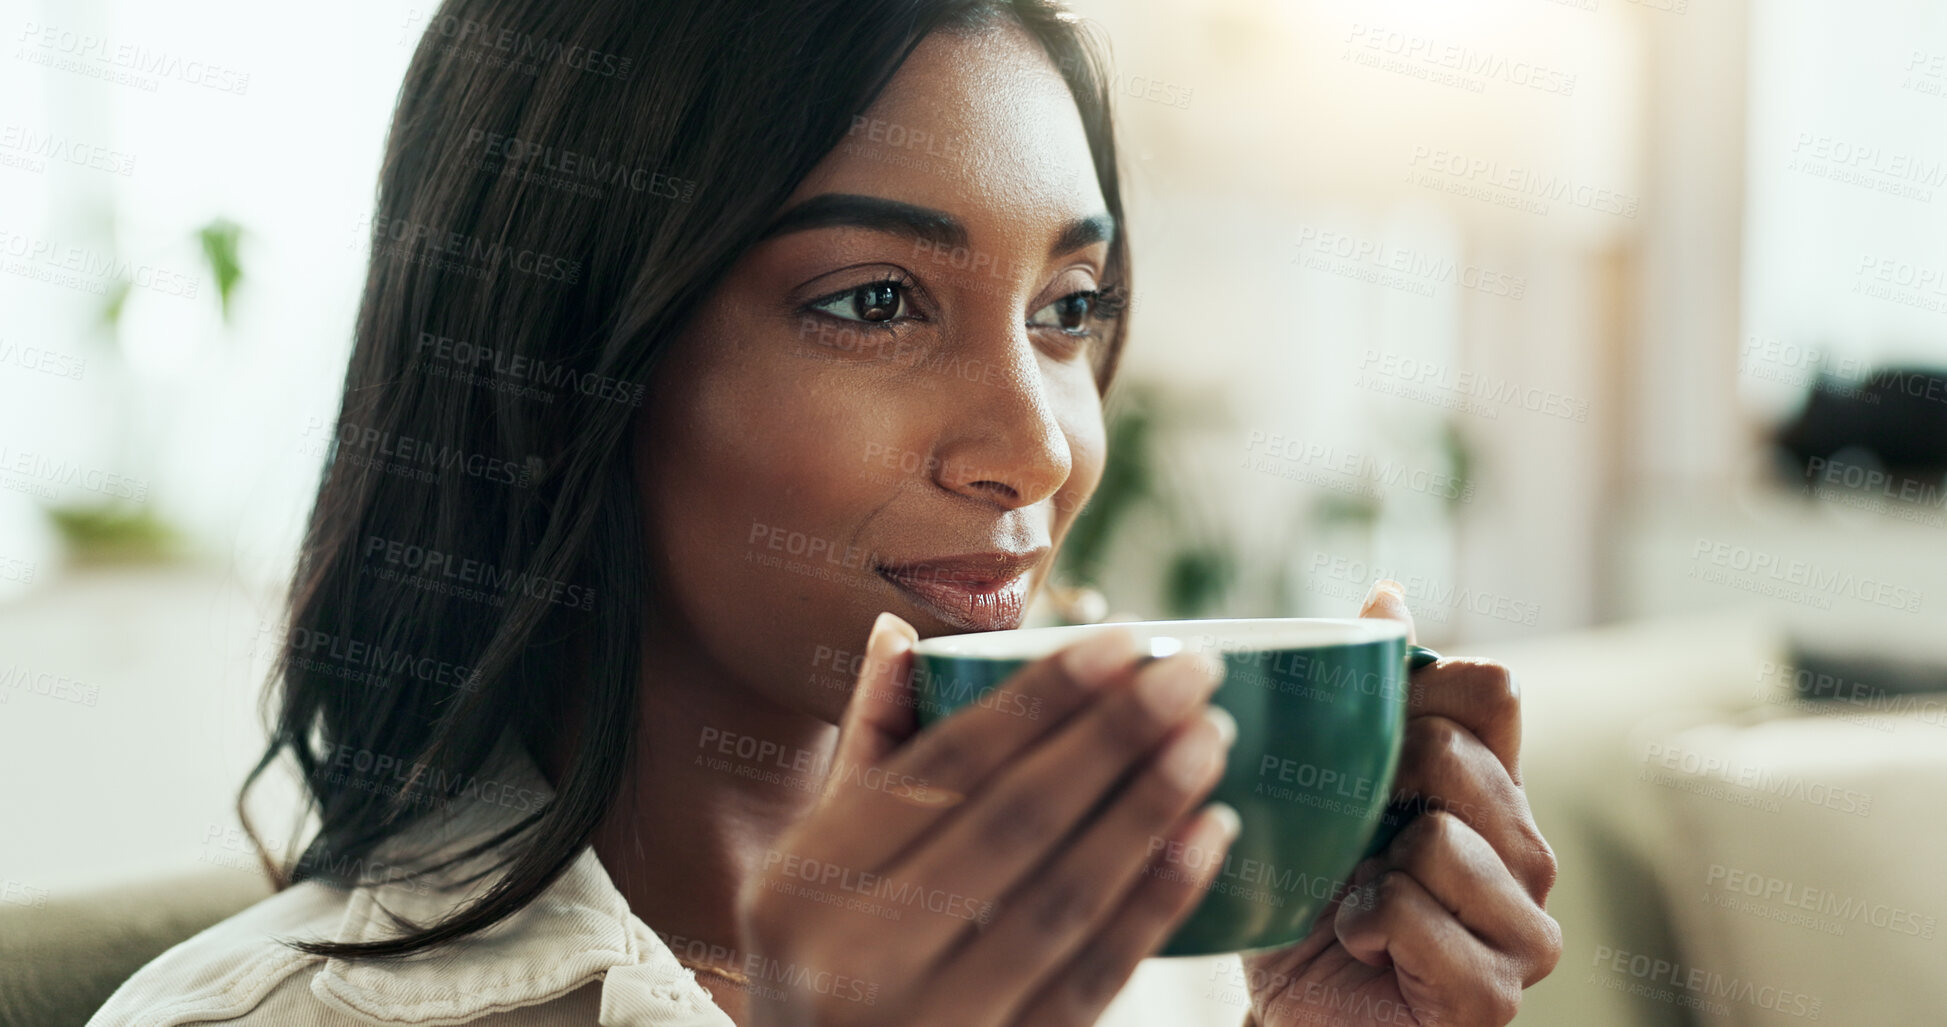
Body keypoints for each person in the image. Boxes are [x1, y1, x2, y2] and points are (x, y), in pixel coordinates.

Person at [89, 1, 1560, 1024]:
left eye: (1068, 310)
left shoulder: (1178, 952)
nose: (1036, 450)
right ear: (555, 360)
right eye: (874, 301)